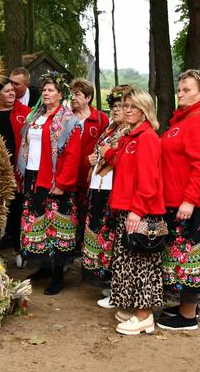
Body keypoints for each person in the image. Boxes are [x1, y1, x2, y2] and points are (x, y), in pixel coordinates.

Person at [157, 69, 200, 331]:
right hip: (175, 199)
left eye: (188, 90)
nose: (181, 94)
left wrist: (189, 200)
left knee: (191, 258)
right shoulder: (182, 119)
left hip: (193, 203)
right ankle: (183, 305)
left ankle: (188, 315)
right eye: (179, 89)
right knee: (178, 257)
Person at [101, 87, 164, 336]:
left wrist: (137, 211)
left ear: (145, 111)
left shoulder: (147, 138)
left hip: (141, 211)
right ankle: (135, 308)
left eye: (133, 107)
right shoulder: (130, 135)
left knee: (141, 263)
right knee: (127, 262)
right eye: (125, 106)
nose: (127, 110)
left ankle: (144, 316)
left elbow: (148, 181)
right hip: (125, 208)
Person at [17, 71, 82, 295]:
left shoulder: (68, 121)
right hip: (33, 176)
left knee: (54, 227)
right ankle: (43, 269)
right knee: (37, 223)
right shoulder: (35, 116)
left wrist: (62, 182)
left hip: (53, 179)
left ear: (60, 93)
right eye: (44, 89)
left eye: (51, 89)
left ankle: (57, 276)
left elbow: (72, 156)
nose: (45, 92)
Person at [82, 86, 128, 294]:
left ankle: (112, 280)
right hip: (99, 185)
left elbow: (122, 158)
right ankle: (100, 275)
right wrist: (92, 159)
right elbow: (97, 152)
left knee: (110, 232)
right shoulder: (110, 129)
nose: (116, 110)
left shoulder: (129, 131)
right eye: (114, 106)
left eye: (120, 106)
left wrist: (105, 155)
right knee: (98, 230)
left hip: (114, 187)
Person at [0, 77, 31, 251]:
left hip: (16, 165)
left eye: (13, 89)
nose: (12, 93)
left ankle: (15, 237)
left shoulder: (25, 112)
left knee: (16, 202)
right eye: (7, 90)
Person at [70, 78, 109, 247]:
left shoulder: (100, 119)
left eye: (77, 94)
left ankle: (83, 246)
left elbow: (107, 145)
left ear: (88, 97)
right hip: (68, 176)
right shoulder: (66, 118)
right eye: (72, 94)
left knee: (87, 214)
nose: (73, 97)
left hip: (89, 179)